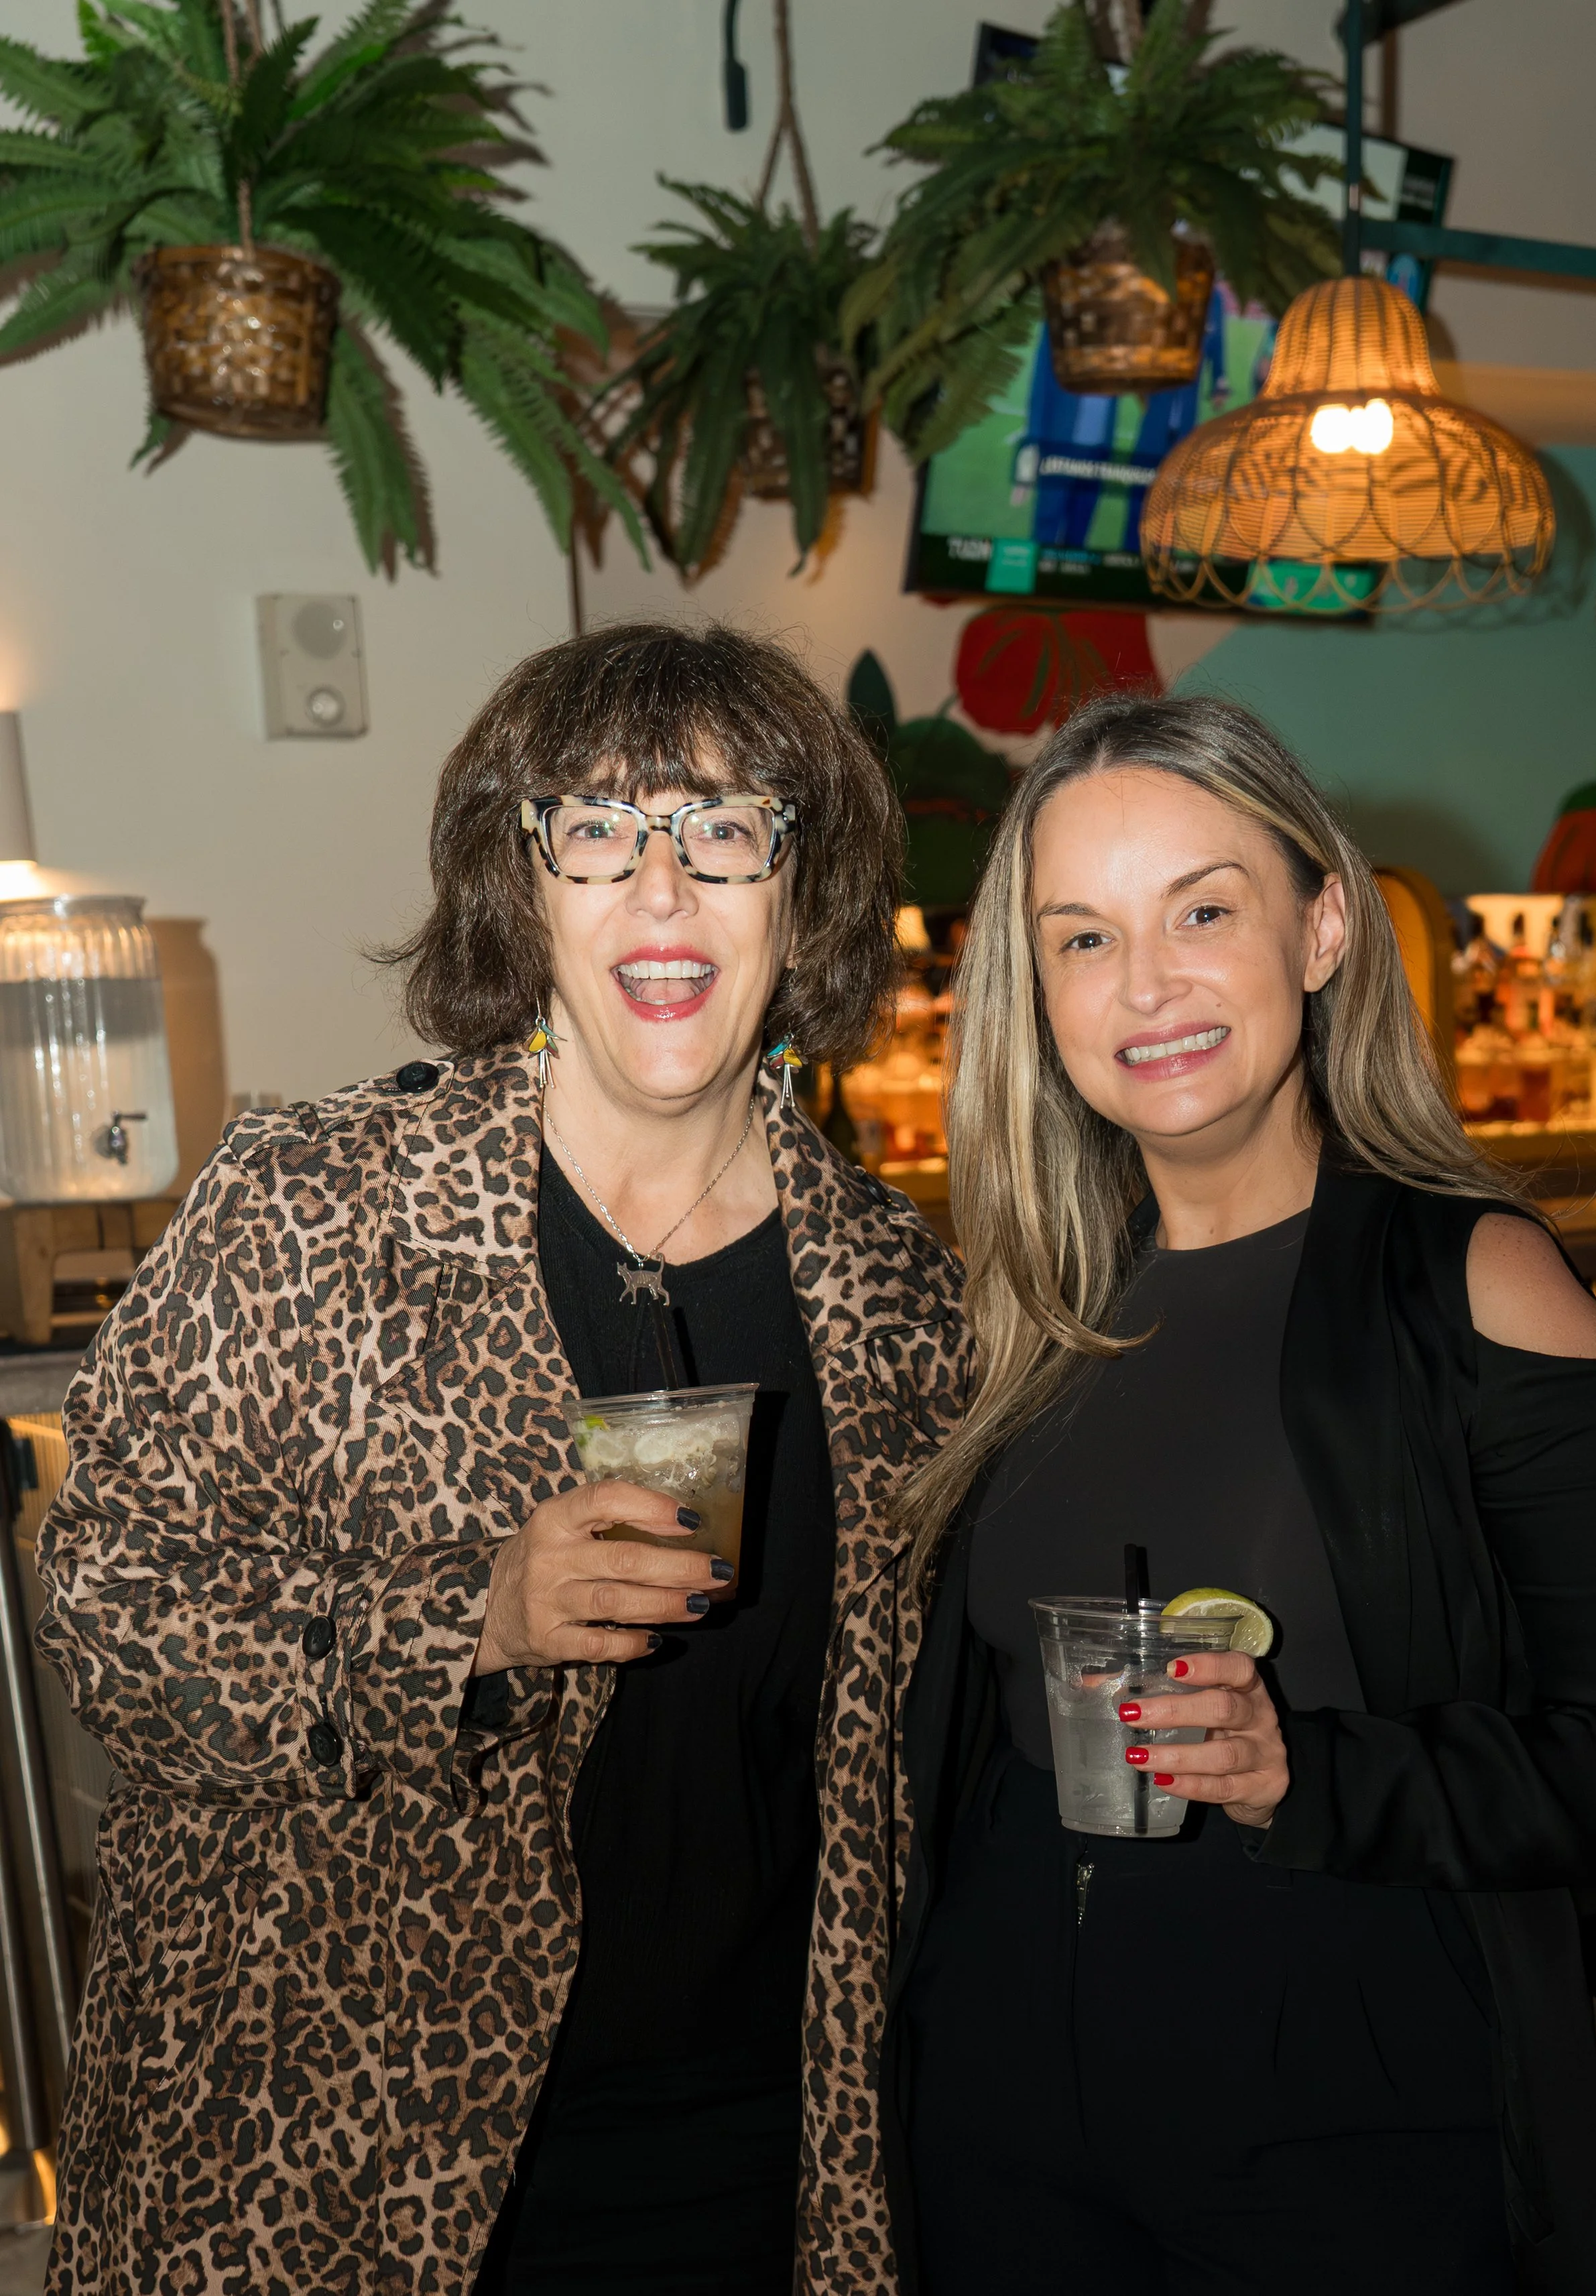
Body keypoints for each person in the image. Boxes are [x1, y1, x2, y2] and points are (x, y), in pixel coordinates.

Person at [37, 622, 970, 2296]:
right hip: (330, 2145)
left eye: (724, 828)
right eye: (598, 830)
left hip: (758, 2142)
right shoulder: (313, 1206)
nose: (663, 889)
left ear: (798, 885)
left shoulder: (899, 1295)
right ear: (518, 881)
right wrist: (462, 1619)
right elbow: (107, 1622)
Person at [885, 692, 1596, 2296]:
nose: (1147, 983)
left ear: (1319, 928)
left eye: (1201, 909)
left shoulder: (1471, 1280)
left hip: (1344, 2134)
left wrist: (1300, 1769)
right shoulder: (1025, 1305)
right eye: (1081, 939)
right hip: (1004, 2121)